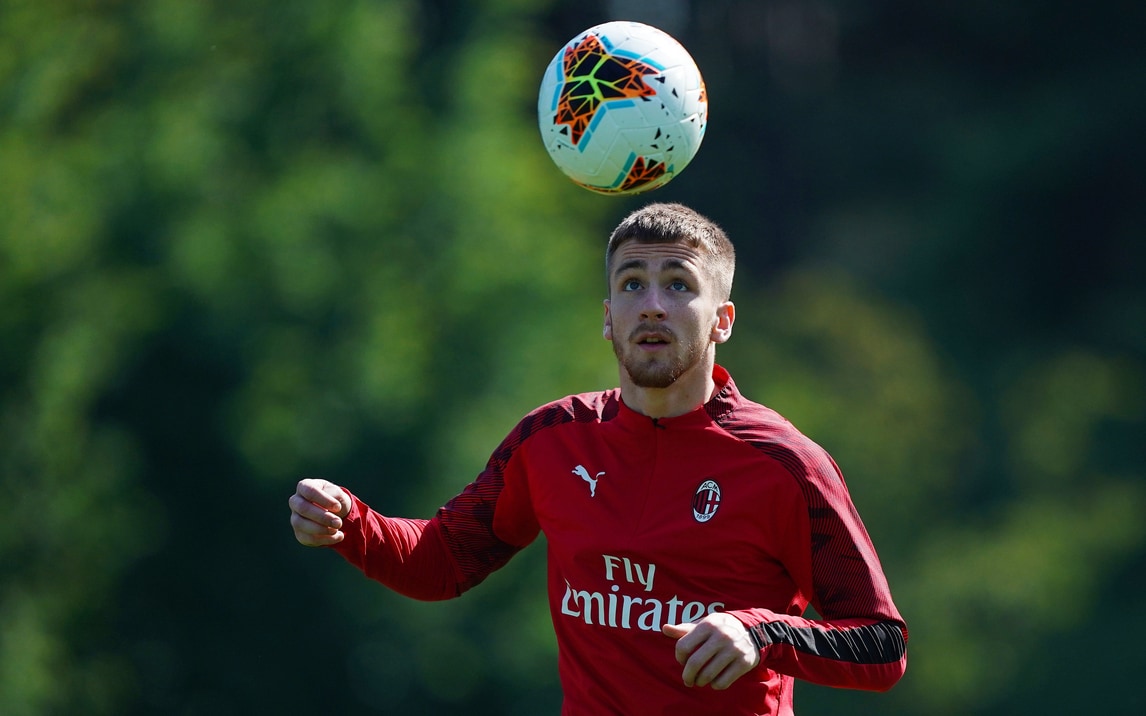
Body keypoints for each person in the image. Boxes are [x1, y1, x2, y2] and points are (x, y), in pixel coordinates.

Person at [289, 203, 908, 714]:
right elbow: (444, 560)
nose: (653, 304)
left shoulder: (785, 464)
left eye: (679, 284)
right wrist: (352, 524)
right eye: (632, 283)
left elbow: (882, 646)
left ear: (722, 320)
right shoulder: (551, 439)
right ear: (609, 319)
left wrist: (760, 633)